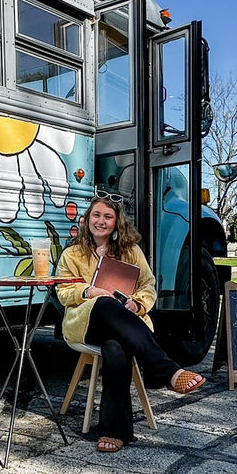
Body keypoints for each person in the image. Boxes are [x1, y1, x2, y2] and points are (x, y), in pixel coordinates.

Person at [54, 193, 205, 453]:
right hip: (86, 323)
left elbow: (148, 285)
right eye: (96, 215)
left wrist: (137, 304)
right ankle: (165, 369)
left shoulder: (130, 251)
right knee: (105, 302)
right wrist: (88, 292)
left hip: (125, 324)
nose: (101, 221)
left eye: (108, 217)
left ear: (117, 222)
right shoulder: (72, 254)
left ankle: (115, 431)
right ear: (87, 219)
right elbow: (63, 292)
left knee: (116, 348)